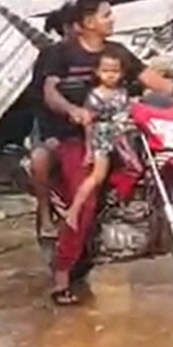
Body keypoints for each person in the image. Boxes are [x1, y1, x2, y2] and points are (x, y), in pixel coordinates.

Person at [33, 0, 173, 306]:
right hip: (75, 137)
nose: (112, 19)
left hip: (119, 131)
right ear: (87, 22)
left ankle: (147, 219)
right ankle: (62, 274)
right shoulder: (59, 54)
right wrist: (71, 110)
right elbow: (50, 92)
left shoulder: (117, 52)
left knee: (165, 163)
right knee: (86, 197)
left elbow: (149, 78)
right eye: (106, 14)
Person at [64, 53, 136, 229]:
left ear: (122, 73)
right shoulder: (94, 96)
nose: (110, 75)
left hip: (123, 137)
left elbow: (129, 114)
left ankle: (122, 204)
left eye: (115, 71)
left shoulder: (123, 93)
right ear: (97, 72)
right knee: (97, 176)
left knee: (136, 168)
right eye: (105, 71)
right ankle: (73, 210)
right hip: (103, 137)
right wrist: (89, 149)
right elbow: (88, 124)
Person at [28, 0, 78, 240]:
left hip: (91, 126)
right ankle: (46, 217)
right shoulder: (49, 56)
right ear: (67, 28)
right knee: (40, 161)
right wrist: (49, 135)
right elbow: (39, 98)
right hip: (53, 128)